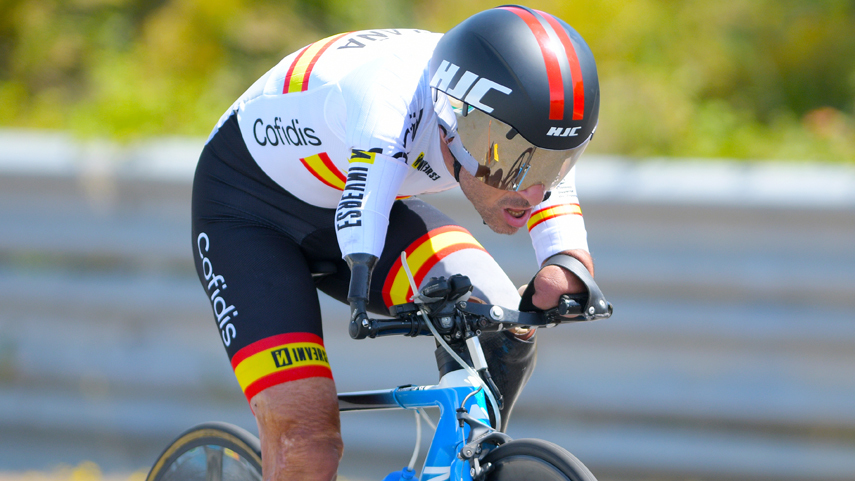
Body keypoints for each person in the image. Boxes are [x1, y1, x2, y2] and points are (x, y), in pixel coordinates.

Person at [191, 5, 600, 480]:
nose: (532, 192)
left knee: (500, 322)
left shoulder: (497, 113)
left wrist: (564, 261)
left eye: (552, 164)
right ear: (460, 120)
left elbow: (548, 196)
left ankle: (472, 463)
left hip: (356, 196)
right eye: (511, 163)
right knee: (308, 441)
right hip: (247, 210)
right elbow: (362, 215)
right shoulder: (389, 98)